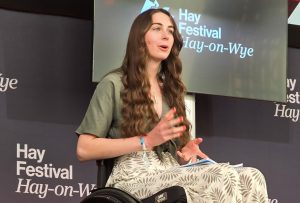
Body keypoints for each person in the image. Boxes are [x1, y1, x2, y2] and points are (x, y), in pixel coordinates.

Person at [76, 8, 268, 203]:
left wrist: (185, 157)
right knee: (220, 175)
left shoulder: (172, 90)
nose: (166, 36)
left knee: (252, 176)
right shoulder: (114, 83)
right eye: (157, 28)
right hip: (132, 177)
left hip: (170, 171)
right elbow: (84, 149)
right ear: (139, 37)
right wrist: (147, 141)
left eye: (170, 31)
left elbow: (176, 156)